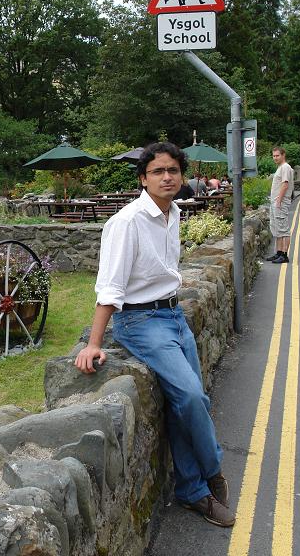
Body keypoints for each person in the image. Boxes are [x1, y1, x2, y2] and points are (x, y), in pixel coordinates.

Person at [74, 141, 235, 528]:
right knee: (193, 396)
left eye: (173, 171)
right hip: (140, 323)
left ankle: (191, 490)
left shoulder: (173, 212)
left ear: (182, 176)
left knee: (188, 403)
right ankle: (211, 471)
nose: (167, 177)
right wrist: (94, 343)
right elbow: (110, 287)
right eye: (158, 171)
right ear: (143, 179)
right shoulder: (126, 223)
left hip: (174, 315)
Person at [266, 146, 294, 264]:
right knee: (276, 228)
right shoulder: (280, 168)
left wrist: (279, 201)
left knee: (283, 229)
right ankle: (278, 252)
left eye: (277, 155)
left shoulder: (285, 167)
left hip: (280, 202)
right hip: (276, 202)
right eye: (273, 156)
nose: (275, 158)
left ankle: (284, 255)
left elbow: (285, 184)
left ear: (283, 155)